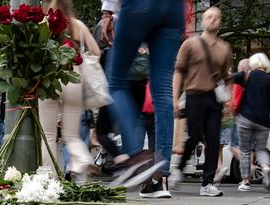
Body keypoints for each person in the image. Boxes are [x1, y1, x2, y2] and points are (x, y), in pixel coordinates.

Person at [105, 0, 184, 195]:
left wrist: (107, 13)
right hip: (174, 9)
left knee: (115, 83)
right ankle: (160, 175)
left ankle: (137, 156)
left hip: (139, 6)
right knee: (163, 89)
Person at [170, 7, 232, 197]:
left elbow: (225, 77)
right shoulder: (190, 44)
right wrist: (174, 98)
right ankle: (179, 168)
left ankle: (207, 183)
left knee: (214, 140)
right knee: (194, 136)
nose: (212, 20)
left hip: (214, 99)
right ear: (203, 21)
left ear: (220, 22)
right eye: (209, 17)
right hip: (194, 95)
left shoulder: (225, 48)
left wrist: (228, 100)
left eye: (216, 17)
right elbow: (179, 71)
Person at [39, 0, 101, 182]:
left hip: (50, 79)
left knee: (48, 135)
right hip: (74, 78)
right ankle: (82, 162)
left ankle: (50, 180)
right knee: (71, 135)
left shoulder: (44, 23)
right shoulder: (77, 25)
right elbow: (96, 51)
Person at [235, 53, 270, 192]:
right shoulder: (269, 80)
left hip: (245, 118)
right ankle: (266, 168)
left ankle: (245, 181)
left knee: (245, 150)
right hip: (263, 121)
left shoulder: (246, 75)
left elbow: (230, 79)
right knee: (261, 149)